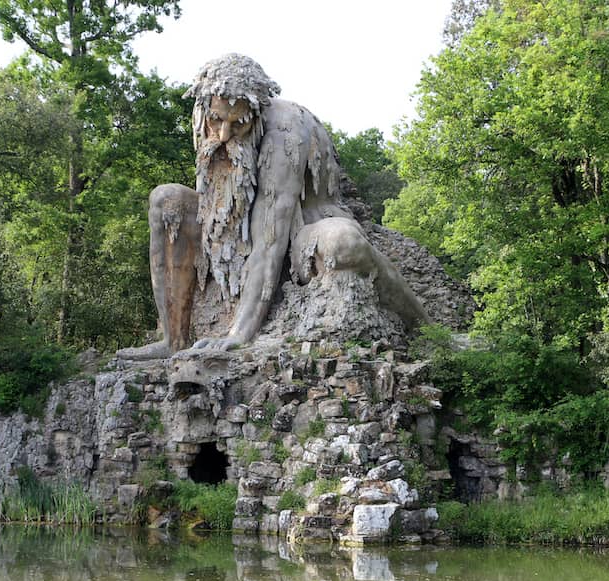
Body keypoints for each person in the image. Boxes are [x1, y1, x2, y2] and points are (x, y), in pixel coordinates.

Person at [118, 54, 429, 360]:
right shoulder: (205, 122)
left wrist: (239, 334)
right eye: (216, 120)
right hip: (231, 233)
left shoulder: (285, 130)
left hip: (301, 230)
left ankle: (425, 330)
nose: (224, 135)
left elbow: (270, 240)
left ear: (255, 110)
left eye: (237, 124)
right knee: (165, 200)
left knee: (342, 244)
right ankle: (173, 339)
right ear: (203, 110)